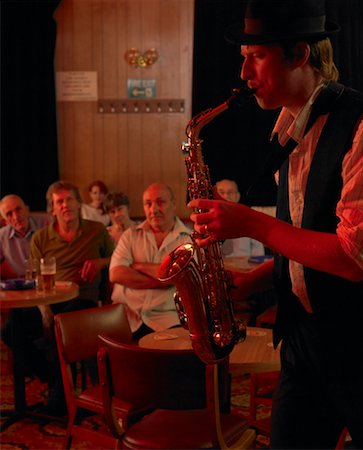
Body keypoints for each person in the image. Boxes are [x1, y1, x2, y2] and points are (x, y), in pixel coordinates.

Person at [188, 1, 363, 448]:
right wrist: (252, 281)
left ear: (300, 54)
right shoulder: (287, 132)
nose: (244, 74)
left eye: (256, 56)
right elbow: (305, 244)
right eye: (243, 57)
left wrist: (250, 224)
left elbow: (352, 258)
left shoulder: (358, 126)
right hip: (303, 341)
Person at [24, 180, 114, 415]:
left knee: (64, 321)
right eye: (59, 201)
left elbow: (117, 260)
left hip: (83, 299)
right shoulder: (40, 239)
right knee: (13, 328)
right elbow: (34, 281)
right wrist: (44, 311)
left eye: (70, 199)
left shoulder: (96, 230)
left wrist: (99, 262)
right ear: (52, 209)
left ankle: (60, 396)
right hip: (48, 301)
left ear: (78, 203)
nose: (65, 205)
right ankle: (55, 379)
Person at [109, 182, 191, 340]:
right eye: (148, 204)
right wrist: (165, 278)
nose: (153, 210)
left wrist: (138, 266)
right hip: (125, 317)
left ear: (173, 204)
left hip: (167, 319)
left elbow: (181, 276)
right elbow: (116, 274)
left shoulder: (188, 240)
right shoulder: (130, 235)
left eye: (160, 202)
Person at [0, 194, 49, 279]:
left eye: (18, 209)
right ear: (5, 221)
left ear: (27, 210)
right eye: (9, 214)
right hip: (16, 286)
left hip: (45, 281)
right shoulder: (1, 236)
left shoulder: (46, 224)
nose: (16, 217)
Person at [215, 179, 265, 257]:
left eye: (230, 192)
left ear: (238, 196)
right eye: (221, 192)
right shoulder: (207, 221)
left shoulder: (250, 219)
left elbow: (259, 254)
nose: (226, 196)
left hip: (246, 267)